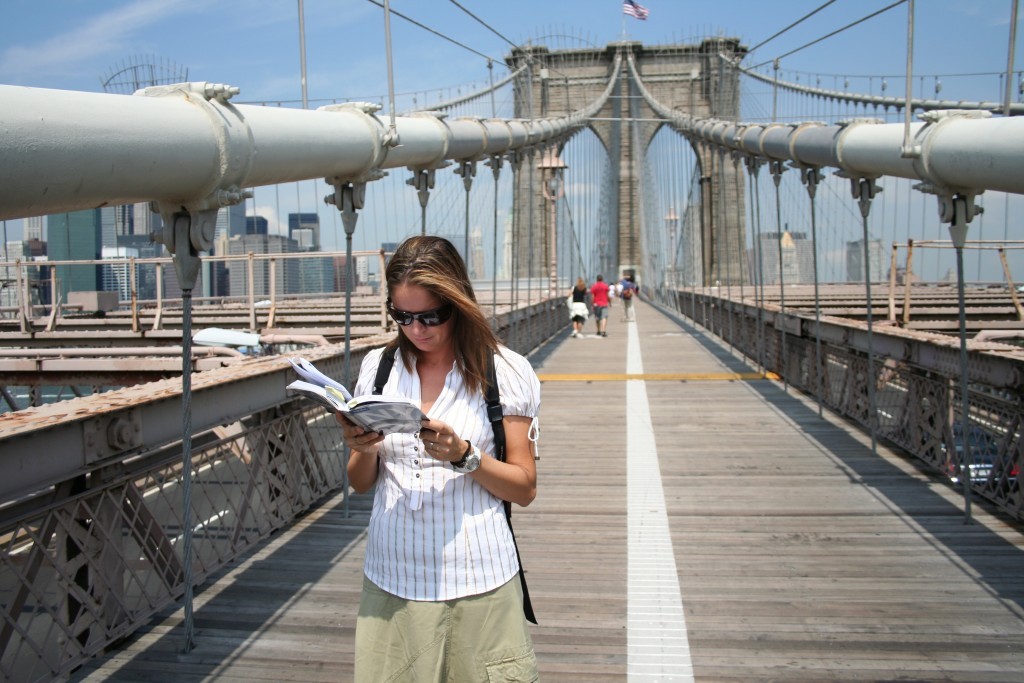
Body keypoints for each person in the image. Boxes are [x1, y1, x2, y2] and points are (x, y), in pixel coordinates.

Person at [337, 235, 541, 682]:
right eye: (403, 316)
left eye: (431, 316)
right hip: (391, 578)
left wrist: (465, 455)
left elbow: (525, 488)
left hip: (479, 580)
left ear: (458, 303)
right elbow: (361, 482)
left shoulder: (506, 371)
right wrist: (363, 448)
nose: (417, 329)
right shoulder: (379, 369)